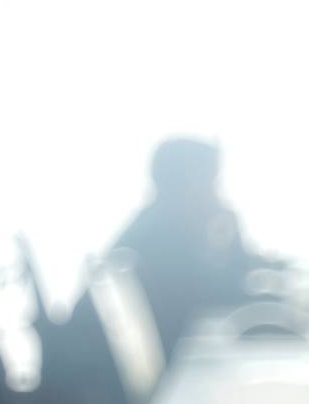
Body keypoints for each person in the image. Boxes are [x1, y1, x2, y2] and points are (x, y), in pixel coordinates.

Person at [109, 137, 261, 356]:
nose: (216, 195)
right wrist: (234, 232)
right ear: (190, 183)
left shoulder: (158, 222)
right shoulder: (162, 237)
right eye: (213, 183)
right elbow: (219, 294)